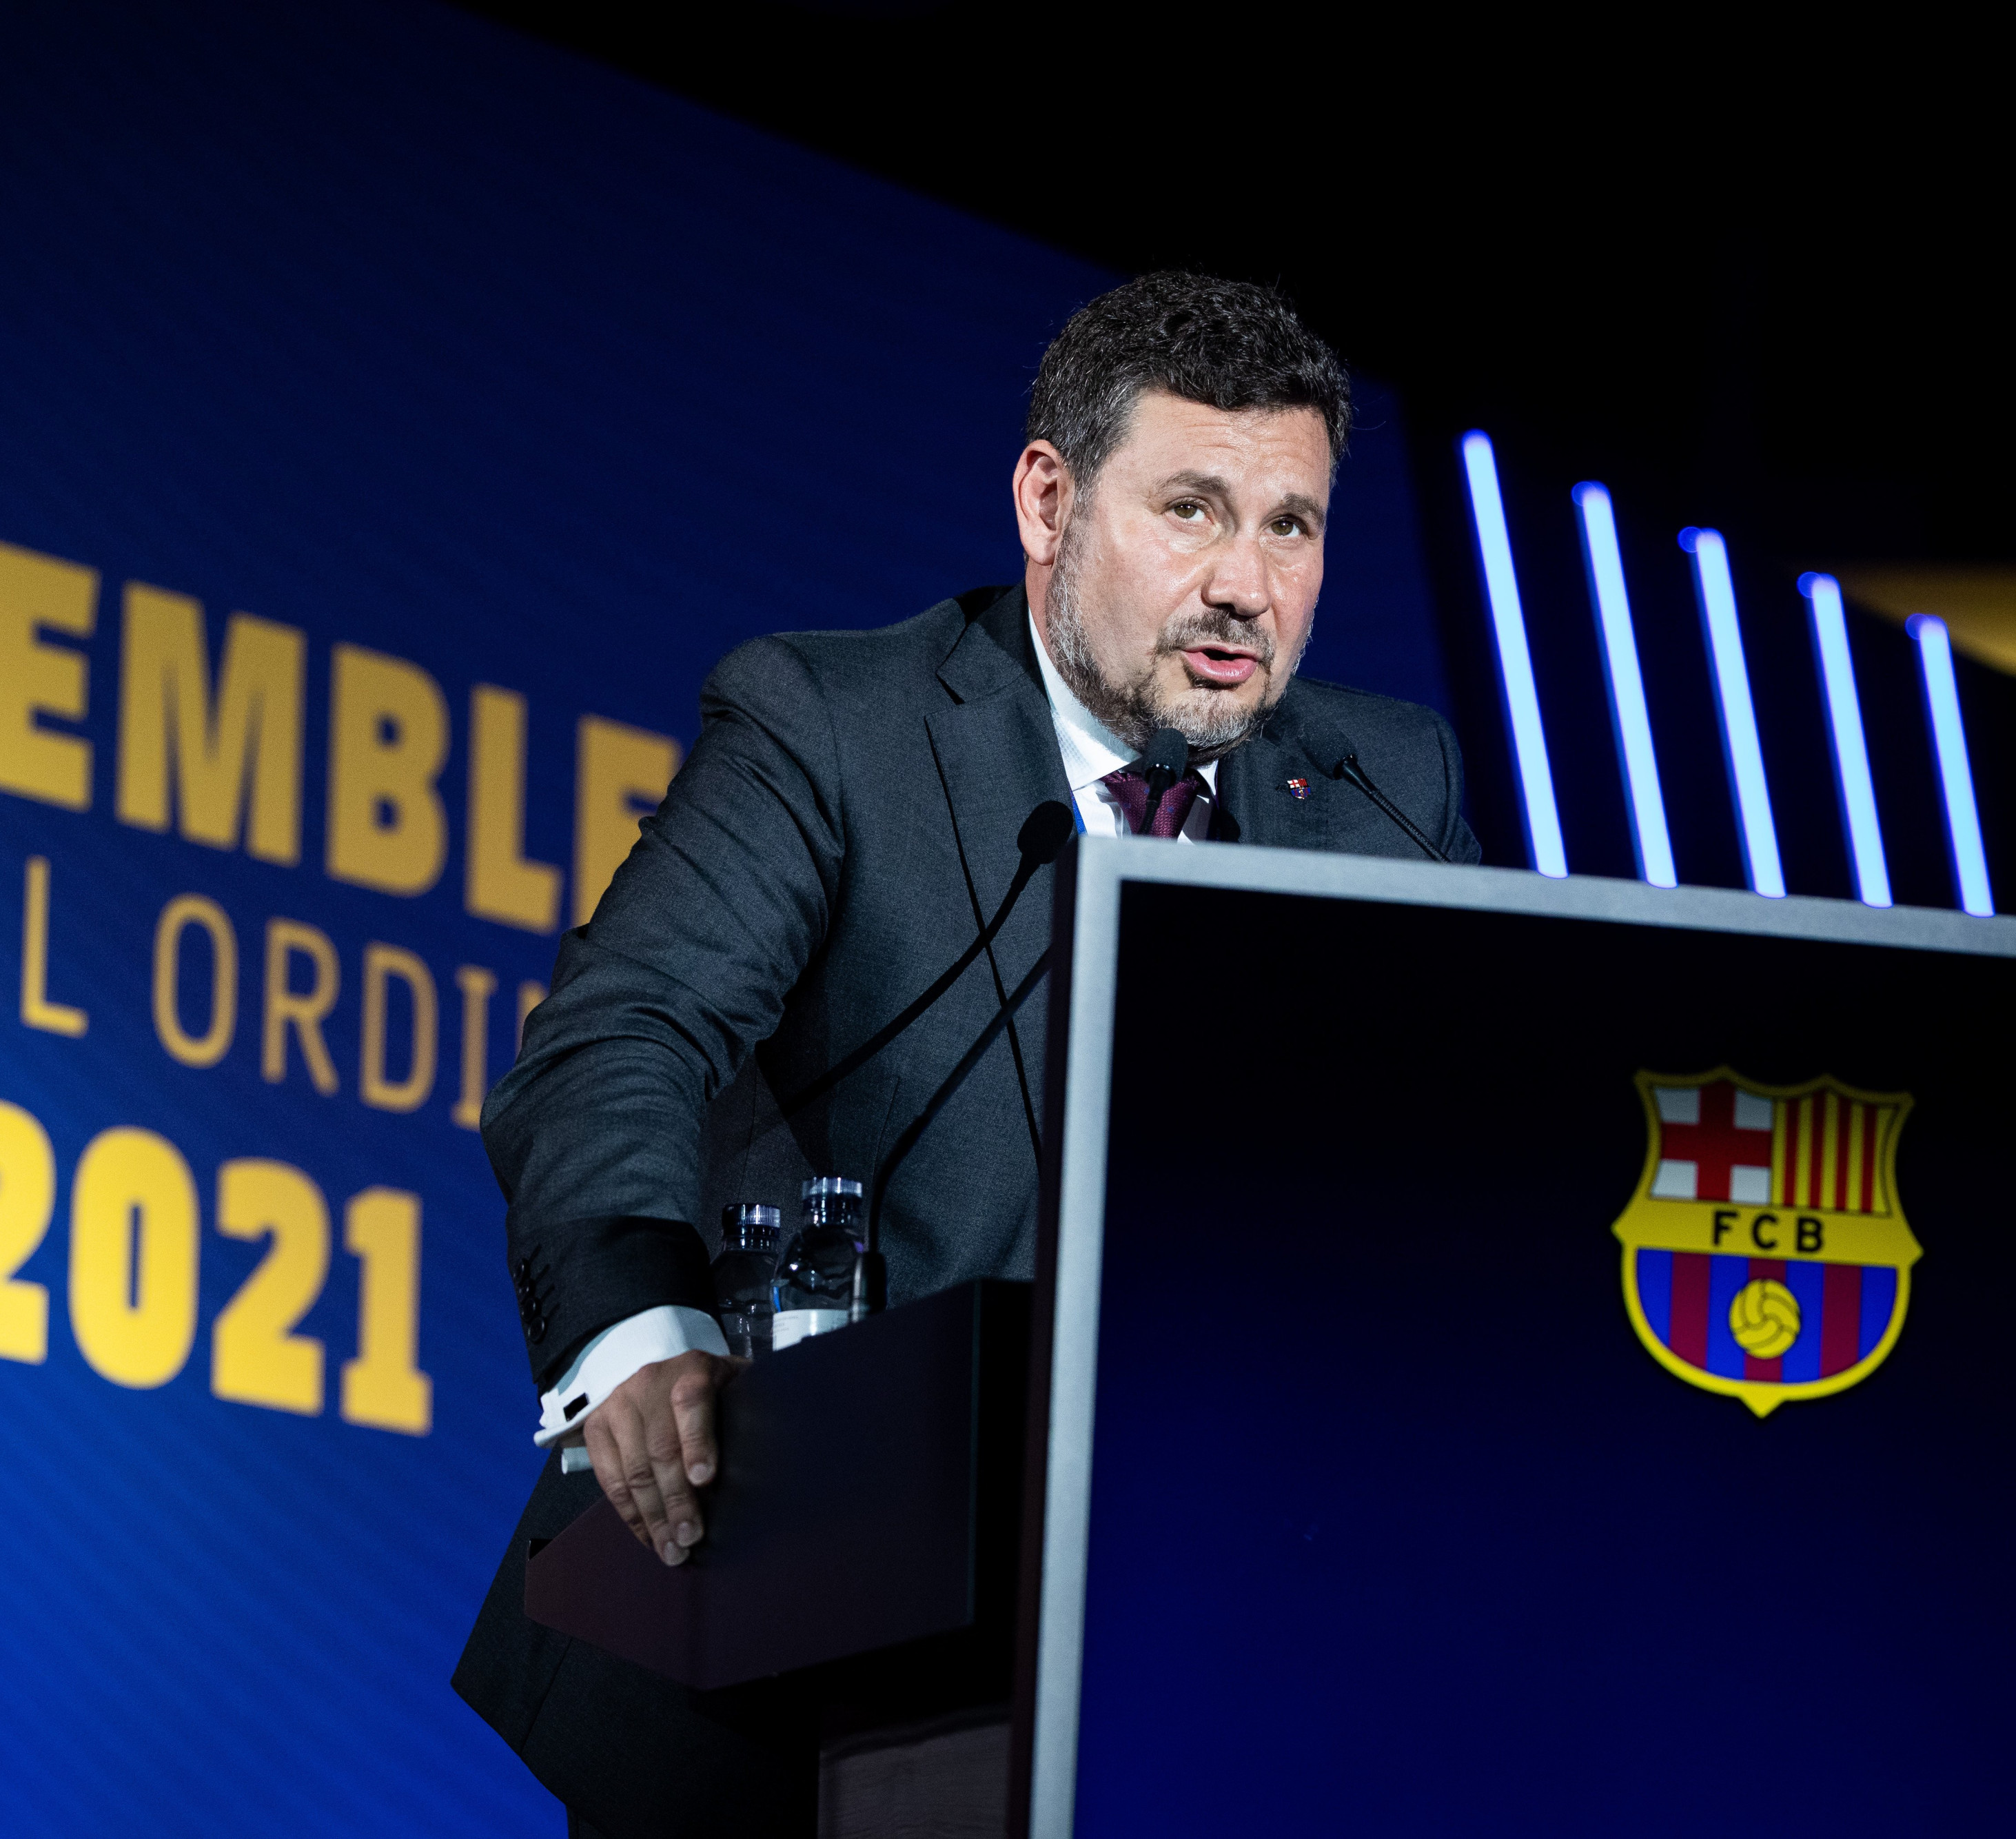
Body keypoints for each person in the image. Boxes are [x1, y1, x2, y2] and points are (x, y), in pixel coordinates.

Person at [454, 271, 1485, 1835]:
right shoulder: (835, 726)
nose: (1246, 585)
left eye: (1292, 526)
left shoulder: (1383, 790)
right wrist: (640, 1330)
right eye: (1192, 510)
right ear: (1047, 502)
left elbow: (1472, 1156)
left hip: (1206, 1638)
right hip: (794, 1634)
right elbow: (620, 1033)